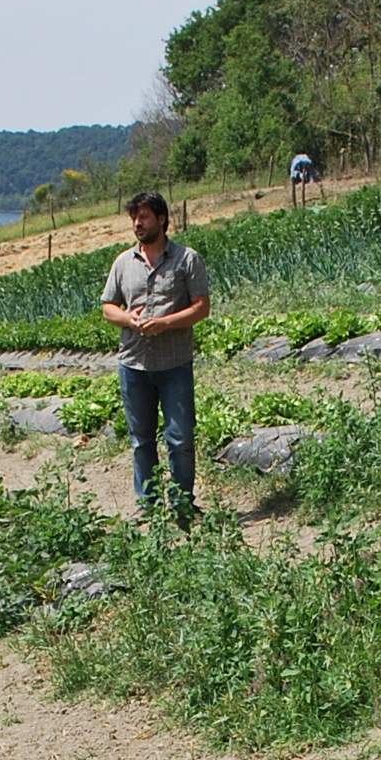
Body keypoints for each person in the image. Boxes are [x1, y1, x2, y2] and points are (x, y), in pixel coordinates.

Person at [100, 190, 211, 521]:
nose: (138, 223)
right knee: (141, 440)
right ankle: (147, 505)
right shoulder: (123, 262)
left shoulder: (187, 260)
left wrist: (165, 323)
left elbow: (202, 308)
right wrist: (128, 319)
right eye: (135, 217)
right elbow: (108, 307)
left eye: (145, 217)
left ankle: (182, 505)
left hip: (173, 365)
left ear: (162, 219)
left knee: (180, 437)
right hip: (133, 365)